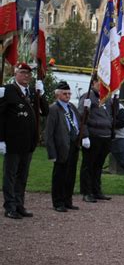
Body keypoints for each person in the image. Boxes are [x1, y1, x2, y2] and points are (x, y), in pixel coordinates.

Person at [0, 62, 49, 219]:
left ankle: (19, 204)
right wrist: (1, 139)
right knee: (11, 175)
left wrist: (41, 94)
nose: (26, 76)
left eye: (28, 73)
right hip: (13, 142)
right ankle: (9, 206)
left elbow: (45, 111)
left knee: (22, 176)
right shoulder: (7, 91)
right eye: (22, 72)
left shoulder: (33, 93)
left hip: (28, 142)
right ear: (15, 73)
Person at [45, 81, 81, 212]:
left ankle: (67, 200)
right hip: (61, 146)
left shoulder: (71, 107)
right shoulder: (54, 109)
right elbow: (49, 133)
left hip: (73, 144)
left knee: (70, 174)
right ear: (57, 95)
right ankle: (58, 202)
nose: (68, 96)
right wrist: (51, 152)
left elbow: (79, 121)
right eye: (65, 94)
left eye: (69, 93)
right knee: (59, 176)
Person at [78, 74, 113, 202]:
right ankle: (86, 192)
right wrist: (85, 135)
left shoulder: (106, 98)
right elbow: (82, 117)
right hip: (93, 135)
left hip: (105, 136)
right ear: (93, 83)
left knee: (98, 166)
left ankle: (96, 190)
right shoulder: (87, 97)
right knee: (88, 165)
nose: (102, 84)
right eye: (100, 82)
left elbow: (110, 115)